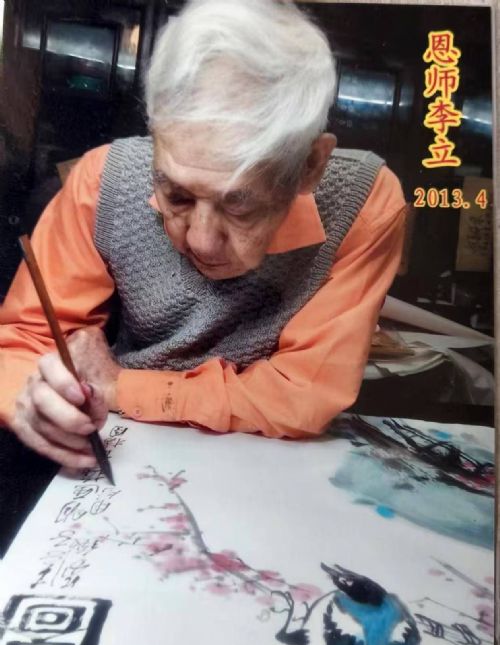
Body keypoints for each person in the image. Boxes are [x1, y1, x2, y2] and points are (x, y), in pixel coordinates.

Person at [0, 0, 406, 470]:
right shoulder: (102, 182)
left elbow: (303, 394)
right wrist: (35, 398)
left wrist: (120, 386)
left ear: (310, 166)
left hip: (274, 468)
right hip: (129, 456)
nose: (201, 241)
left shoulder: (362, 204)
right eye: (177, 195)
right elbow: (20, 343)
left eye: (239, 204)